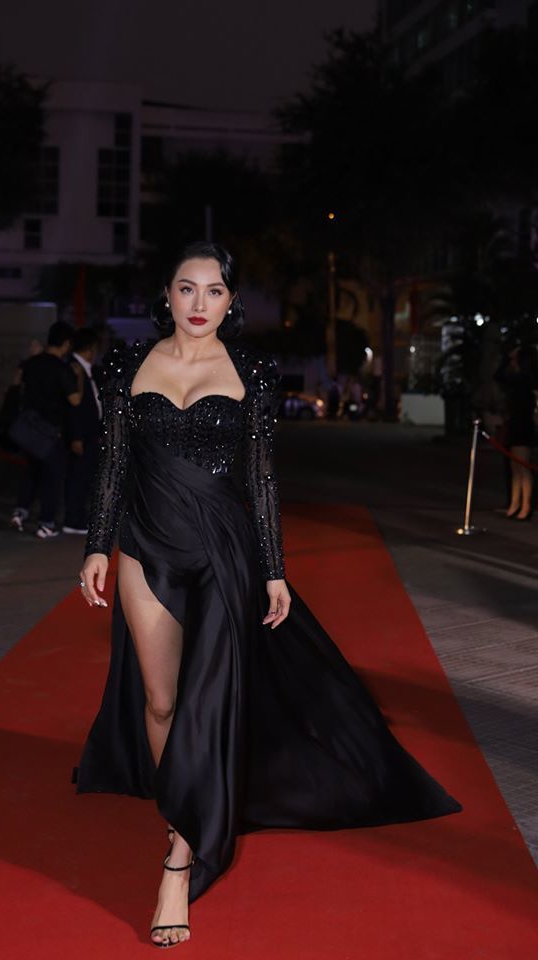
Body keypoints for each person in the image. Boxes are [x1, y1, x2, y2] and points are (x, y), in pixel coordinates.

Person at [75, 242, 461, 949]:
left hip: (225, 554)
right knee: (160, 701)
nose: (199, 304)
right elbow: (114, 463)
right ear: (167, 294)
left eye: (214, 291)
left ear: (230, 300)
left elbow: (260, 477)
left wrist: (274, 568)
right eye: (186, 289)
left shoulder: (249, 369)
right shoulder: (128, 365)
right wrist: (97, 545)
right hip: (146, 546)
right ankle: (178, 807)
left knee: (207, 697)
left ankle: (179, 856)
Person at [10, 321, 84, 538]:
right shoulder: (62, 368)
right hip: (51, 431)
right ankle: (46, 523)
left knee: (30, 472)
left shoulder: (32, 363)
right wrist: (79, 377)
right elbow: (75, 400)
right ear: (66, 343)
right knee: (52, 478)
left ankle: (20, 512)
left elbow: (19, 386)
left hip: (30, 427)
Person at [63, 327, 103, 535]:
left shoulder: (89, 369)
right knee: (79, 476)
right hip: (82, 434)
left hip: (91, 432)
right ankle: (73, 518)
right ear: (90, 348)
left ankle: (79, 516)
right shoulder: (73, 368)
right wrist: (76, 436)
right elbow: (73, 408)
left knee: (86, 476)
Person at [495, 345, 538, 522]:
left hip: (523, 426)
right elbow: (499, 377)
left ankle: (525, 506)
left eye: (515, 359)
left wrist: (507, 357)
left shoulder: (524, 381)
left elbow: (499, 376)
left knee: (522, 466)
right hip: (516, 425)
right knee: (515, 467)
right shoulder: (521, 380)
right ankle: (515, 503)